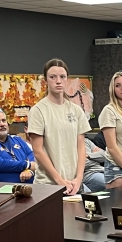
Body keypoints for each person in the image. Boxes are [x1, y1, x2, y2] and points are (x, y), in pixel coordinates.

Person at [28, 58, 91, 196]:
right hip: (49, 185)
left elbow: (81, 146)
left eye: (62, 77)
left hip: (74, 183)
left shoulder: (76, 110)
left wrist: (79, 178)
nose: (58, 81)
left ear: (67, 79)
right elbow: (38, 150)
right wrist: (59, 180)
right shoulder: (38, 110)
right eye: (53, 77)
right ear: (45, 81)